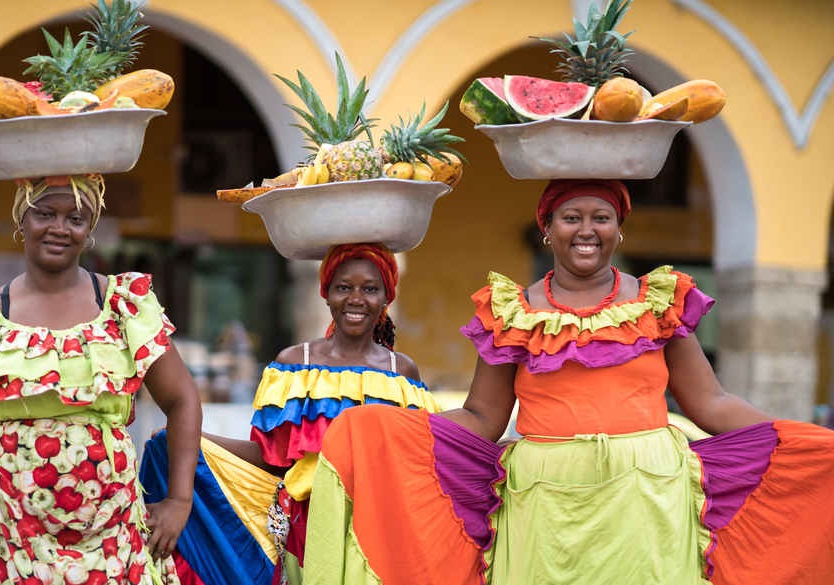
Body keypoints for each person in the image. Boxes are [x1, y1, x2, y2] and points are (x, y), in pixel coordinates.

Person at [303, 179, 834, 584]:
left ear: (619, 228)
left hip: (647, 501)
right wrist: (388, 432)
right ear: (547, 228)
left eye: (601, 217)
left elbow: (711, 403)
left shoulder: (659, 300)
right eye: (571, 217)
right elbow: (484, 419)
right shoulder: (511, 311)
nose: (586, 230)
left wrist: (797, 442)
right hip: (542, 508)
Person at [0, 174, 203, 585]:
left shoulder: (122, 308)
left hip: (105, 527)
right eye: (45, 214)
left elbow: (182, 400)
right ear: (22, 220)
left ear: (89, 230)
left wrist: (180, 500)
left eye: (76, 218)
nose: (59, 228)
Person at [139, 243, 440, 585]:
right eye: (343, 287)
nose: (356, 299)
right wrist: (191, 440)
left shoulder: (402, 372)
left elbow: (417, 461)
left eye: (370, 289)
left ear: (387, 297)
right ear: (326, 294)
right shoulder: (294, 365)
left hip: (380, 527)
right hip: (308, 528)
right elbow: (272, 459)